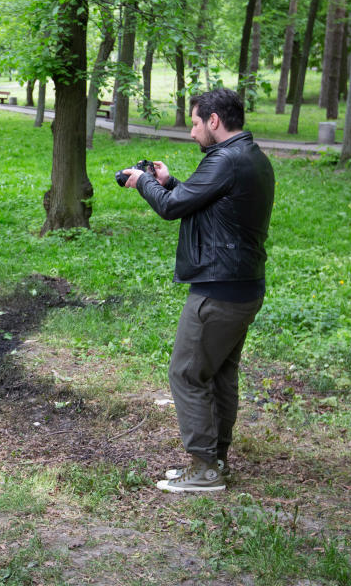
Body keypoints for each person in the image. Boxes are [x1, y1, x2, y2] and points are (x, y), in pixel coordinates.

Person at [122, 88, 275, 493]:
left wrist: (142, 183)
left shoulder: (226, 159)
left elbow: (173, 209)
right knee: (219, 374)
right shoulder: (252, 157)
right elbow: (201, 201)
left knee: (187, 373)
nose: (191, 132)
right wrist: (169, 182)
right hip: (242, 286)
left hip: (218, 291)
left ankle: (205, 468)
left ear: (213, 121)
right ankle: (216, 459)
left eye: (194, 122)